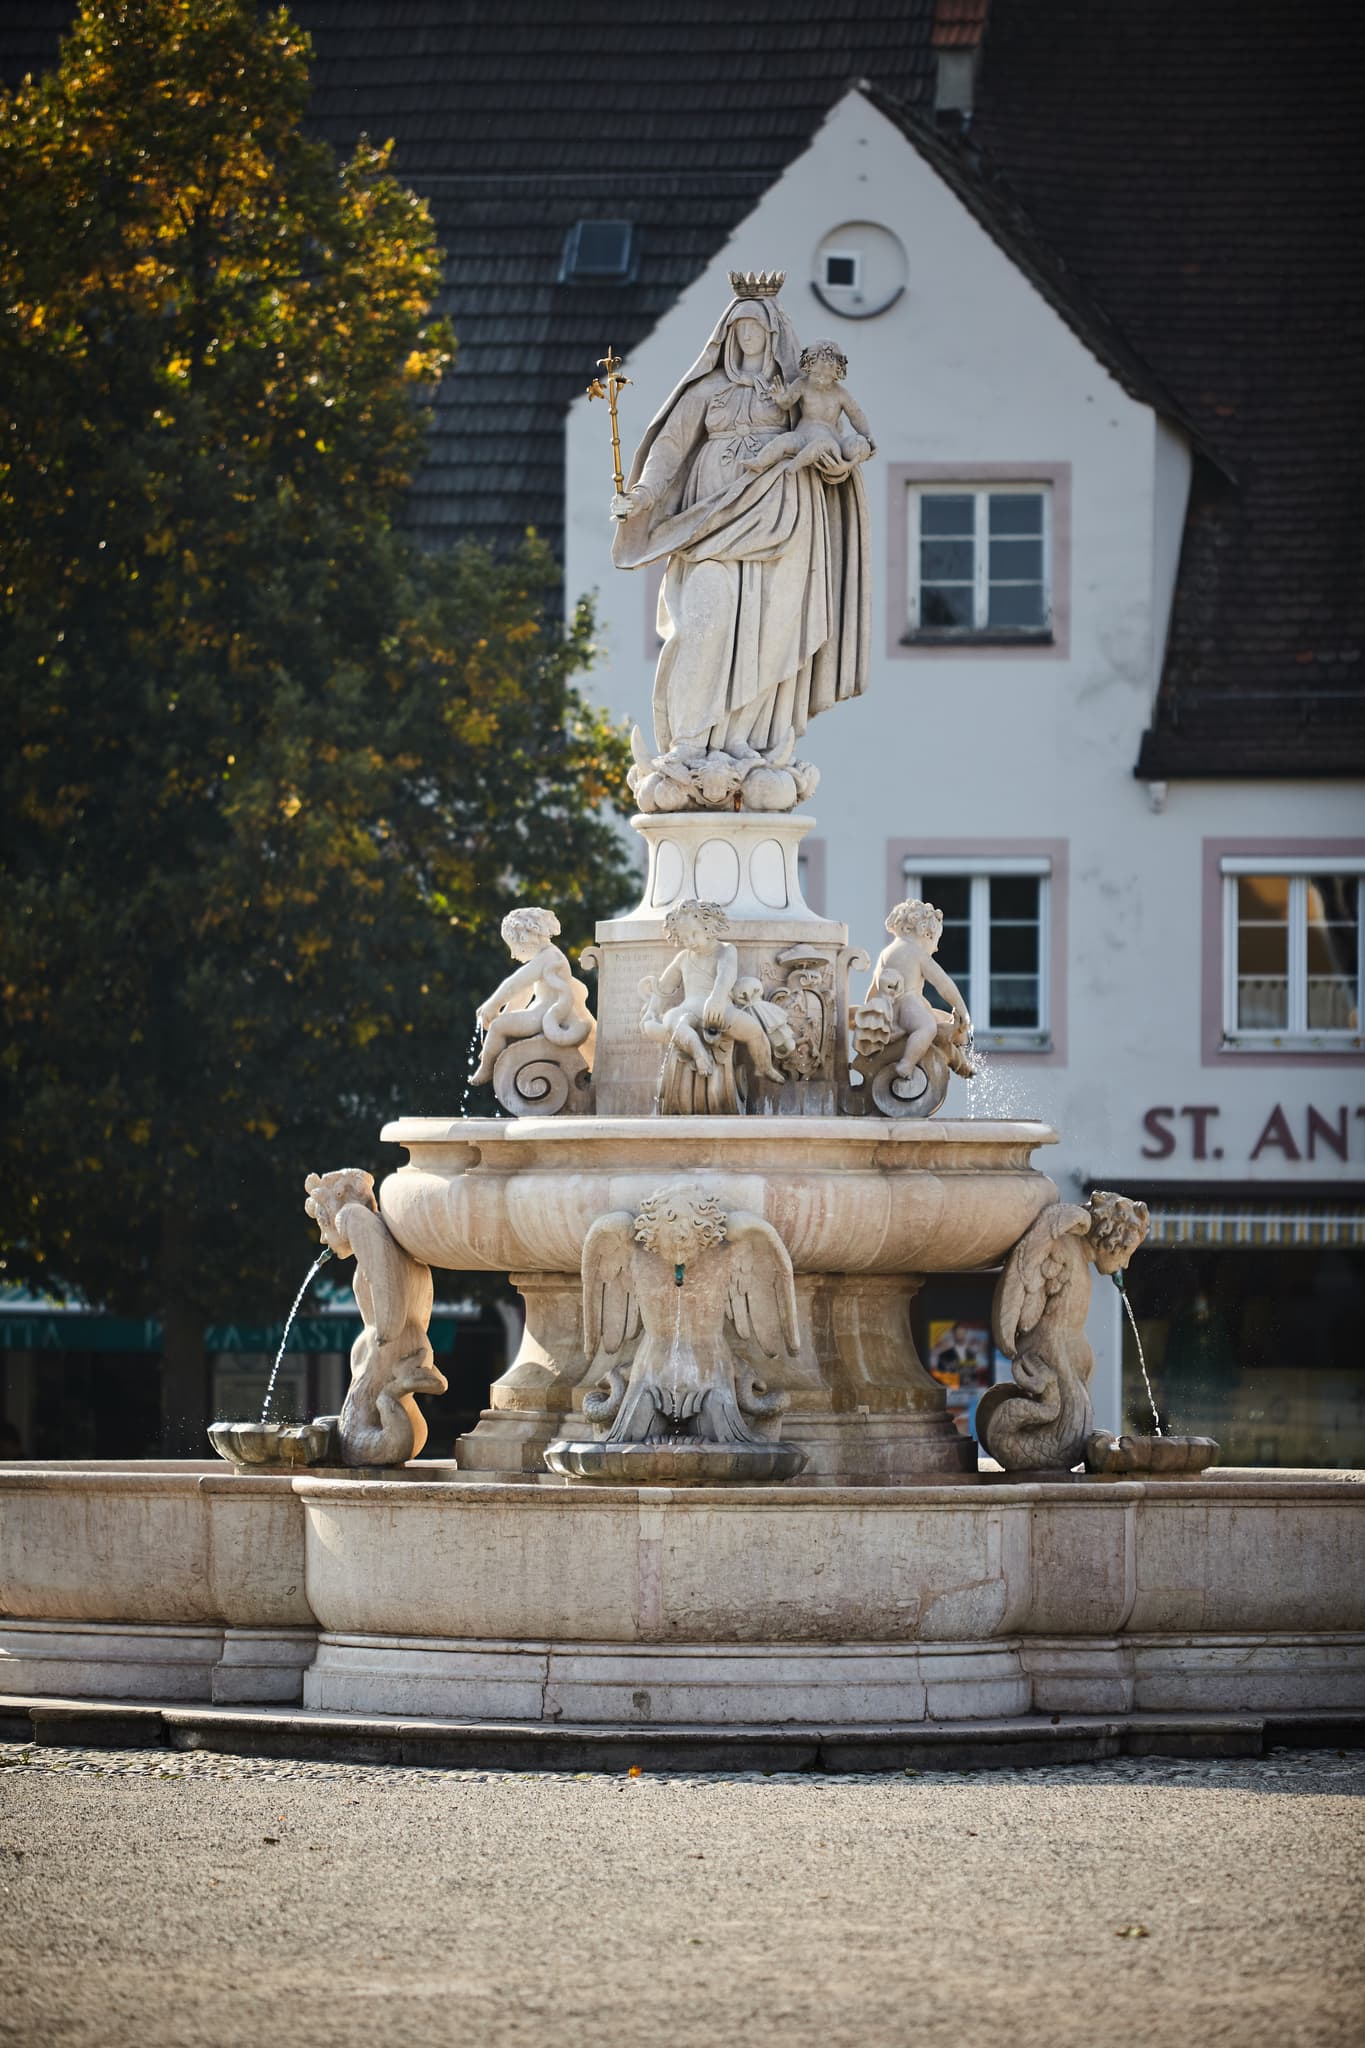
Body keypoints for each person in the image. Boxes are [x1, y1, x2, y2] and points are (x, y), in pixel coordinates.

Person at [611, 285, 871, 779]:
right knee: (704, 618)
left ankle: (747, 739)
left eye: (756, 327)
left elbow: (836, 431)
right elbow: (668, 449)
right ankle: (688, 741)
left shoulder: (795, 392)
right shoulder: (705, 392)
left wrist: (844, 456)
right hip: (711, 518)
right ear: (726, 336)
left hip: (784, 515)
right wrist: (641, 496)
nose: (748, 336)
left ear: (772, 335)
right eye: (739, 328)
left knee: (772, 623)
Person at [640, 900, 787, 1085]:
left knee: (755, 1031)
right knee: (672, 1020)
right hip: (688, 1008)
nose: (690, 942)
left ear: (708, 926)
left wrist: (717, 997)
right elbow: (663, 987)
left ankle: (765, 1067)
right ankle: (698, 1052)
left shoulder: (725, 950)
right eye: (684, 938)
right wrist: (652, 1011)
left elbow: (726, 974)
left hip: (719, 1010)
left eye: (695, 934)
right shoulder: (683, 957)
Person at [472, 907, 595, 1086]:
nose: (513, 954)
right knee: (501, 1025)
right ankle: (491, 1055)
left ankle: (486, 1068)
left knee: (498, 1027)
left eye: (514, 947)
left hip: (545, 1014)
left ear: (525, 938)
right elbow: (523, 993)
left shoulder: (548, 957)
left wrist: (492, 1004)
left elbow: (515, 983)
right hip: (541, 1011)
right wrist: (507, 1013)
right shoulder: (548, 956)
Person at [865, 900, 972, 1085]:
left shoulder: (886, 952)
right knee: (928, 1027)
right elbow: (943, 984)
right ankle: (907, 1063)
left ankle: (960, 1061)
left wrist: (870, 1011)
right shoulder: (916, 952)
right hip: (907, 1004)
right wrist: (961, 1009)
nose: (936, 948)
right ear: (927, 933)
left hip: (894, 1007)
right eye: (935, 941)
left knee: (941, 1019)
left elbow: (874, 987)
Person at [744, 340, 873, 475]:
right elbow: (787, 403)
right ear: (808, 368)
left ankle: (793, 467)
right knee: (784, 440)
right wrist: (779, 397)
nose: (821, 378)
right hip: (803, 437)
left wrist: (867, 435)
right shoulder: (802, 384)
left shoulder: (840, 393)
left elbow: (856, 415)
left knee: (821, 444)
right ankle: (759, 462)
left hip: (829, 443)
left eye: (827, 376)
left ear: (837, 373)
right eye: (817, 374)